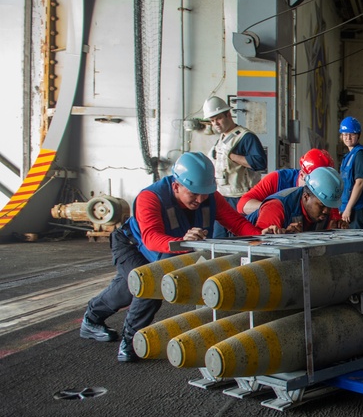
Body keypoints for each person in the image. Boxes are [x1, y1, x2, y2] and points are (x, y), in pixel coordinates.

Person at [79, 152, 266, 362]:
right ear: (176, 186)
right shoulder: (150, 197)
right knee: (147, 285)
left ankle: (91, 319)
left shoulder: (209, 196)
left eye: (204, 193)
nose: (200, 199)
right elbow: (150, 238)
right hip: (131, 246)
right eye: (194, 194)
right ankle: (130, 342)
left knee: (126, 288)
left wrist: (263, 239)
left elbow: (237, 223)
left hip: (165, 249)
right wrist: (182, 241)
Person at [202, 96, 267, 237]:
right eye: (212, 121)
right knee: (218, 239)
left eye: (218, 118)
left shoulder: (246, 137)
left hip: (240, 197)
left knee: (242, 237)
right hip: (222, 196)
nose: (215, 123)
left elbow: (259, 163)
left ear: (228, 114)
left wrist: (232, 156)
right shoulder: (221, 139)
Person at [237, 148, 334, 215]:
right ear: (302, 175)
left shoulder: (328, 192)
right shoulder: (278, 179)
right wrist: (276, 208)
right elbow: (243, 205)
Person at [247, 167, 344, 232]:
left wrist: (335, 232)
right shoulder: (276, 207)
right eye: (322, 205)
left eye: (329, 206)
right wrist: (285, 240)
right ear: (306, 196)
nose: (326, 211)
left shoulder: (324, 210)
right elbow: (259, 247)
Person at [338, 117, 363, 229]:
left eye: (352, 134)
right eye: (345, 134)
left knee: (355, 243)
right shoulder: (348, 156)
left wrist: (348, 208)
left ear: (358, 135)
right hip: (348, 206)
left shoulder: (360, 155)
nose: (348, 137)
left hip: (356, 208)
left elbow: (360, 183)